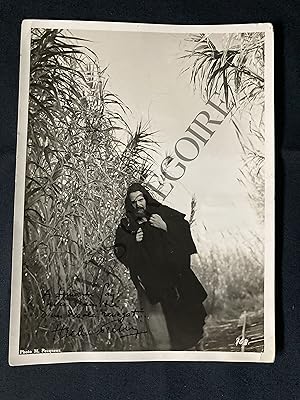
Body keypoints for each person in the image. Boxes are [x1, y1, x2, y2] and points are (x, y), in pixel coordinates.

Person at [114, 183, 207, 350]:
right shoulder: (127, 225)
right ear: (129, 204)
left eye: (140, 199)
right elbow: (120, 249)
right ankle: (176, 356)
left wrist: (165, 226)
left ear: (146, 198)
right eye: (133, 202)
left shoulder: (161, 213)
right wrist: (134, 242)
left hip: (176, 276)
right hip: (153, 283)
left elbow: (183, 226)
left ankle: (197, 346)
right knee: (167, 325)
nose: (138, 204)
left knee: (190, 316)